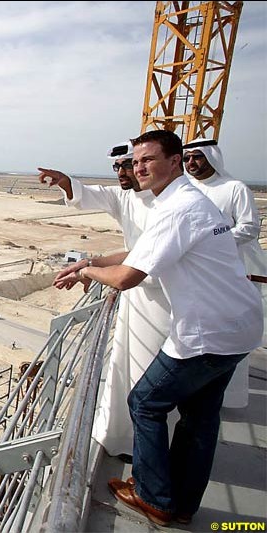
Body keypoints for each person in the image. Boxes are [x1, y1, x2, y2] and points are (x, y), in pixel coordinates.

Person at [64, 130, 262, 526]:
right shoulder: (184, 201)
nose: (138, 168)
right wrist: (94, 262)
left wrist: (87, 270)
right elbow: (141, 250)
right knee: (200, 418)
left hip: (209, 333)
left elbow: (125, 278)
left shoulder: (178, 208)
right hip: (240, 326)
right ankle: (182, 504)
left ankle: (153, 496)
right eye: (135, 161)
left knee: (145, 402)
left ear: (175, 161)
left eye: (148, 160)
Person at [39, 141, 173, 459]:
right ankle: (124, 442)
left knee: (152, 383)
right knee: (127, 371)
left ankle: (148, 459)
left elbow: (138, 266)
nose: (124, 173)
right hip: (136, 299)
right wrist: (66, 182)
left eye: (130, 165)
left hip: (164, 302)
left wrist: (89, 270)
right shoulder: (125, 196)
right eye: (119, 167)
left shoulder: (170, 205)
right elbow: (90, 196)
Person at [182, 137, 267, 408]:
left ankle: (226, 399)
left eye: (197, 157)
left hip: (232, 274)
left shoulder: (234, 188)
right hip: (197, 276)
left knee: (229, 338)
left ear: (212, 157)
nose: (191, 163)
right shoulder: (185, 190)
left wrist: (211, 241)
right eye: (186, 158)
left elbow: (249, 228)